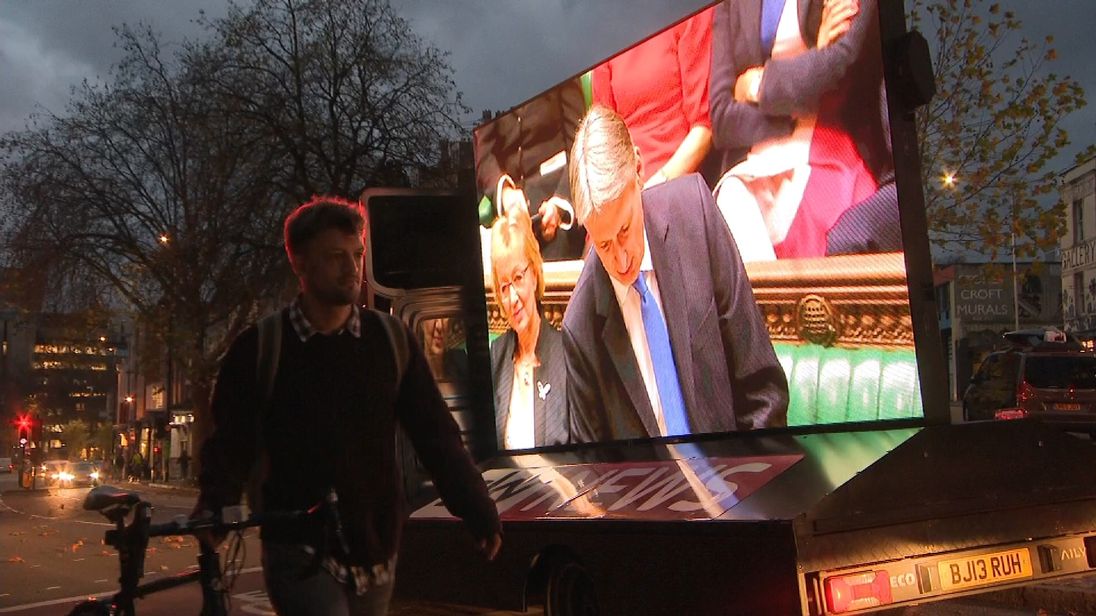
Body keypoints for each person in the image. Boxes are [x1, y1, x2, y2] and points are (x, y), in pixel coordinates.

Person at [193, 196, 501, 616]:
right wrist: (216, 503)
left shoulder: (390, 342)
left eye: (356, 254)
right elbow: (231, 439)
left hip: (375, 545)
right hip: (299, 547)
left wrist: (475, 507)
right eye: (335, 256)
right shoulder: (263, 348)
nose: (351, 267)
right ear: (300, 263)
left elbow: (436, 435)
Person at [563, 106, 788, 443]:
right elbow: (600, 475)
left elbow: (763, 390)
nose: (621, 260)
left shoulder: (695, 214)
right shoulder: (580, 328)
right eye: (603, 244)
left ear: (638, 170)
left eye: (624, 230)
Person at [709, 0, 896, 260]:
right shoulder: (729, 5)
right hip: (752, 158)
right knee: (732, 210)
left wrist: (756, 85)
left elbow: (837, 61)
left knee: (838, 243)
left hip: (829, 142)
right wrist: (797, 106)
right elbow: (721, 120)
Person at [591, 5, 715, 189]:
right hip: (627, 189)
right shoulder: (605, 30)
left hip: (680, 180)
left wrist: (657, 185)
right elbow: (605, 145)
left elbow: (703, 130)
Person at [474, 79, 587, 260]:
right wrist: (505, 193)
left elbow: (580, 144)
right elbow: (484, 157)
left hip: (558, 205)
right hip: (511, 214)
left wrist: (559, 204)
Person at [489, 206, 569, 449]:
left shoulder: (565, 354)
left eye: (517, 278)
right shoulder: (496, 355)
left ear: (533, 275)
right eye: (503, 287)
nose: (512, 297)